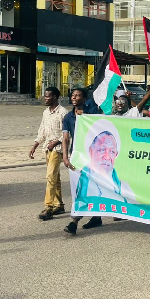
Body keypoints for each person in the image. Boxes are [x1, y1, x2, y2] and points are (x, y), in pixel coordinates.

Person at [62, 88, 103, 235]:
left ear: (84, 99)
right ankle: (96, 217)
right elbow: (66, 138)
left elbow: (103, 122)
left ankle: (74, 222)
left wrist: (85, 116)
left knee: (87, 187)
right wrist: (65, 157)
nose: (74, 97)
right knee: (80, 187)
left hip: (92, 157)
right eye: (72, 95)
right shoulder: (68, 117)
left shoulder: (92, 111)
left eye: (78, 95)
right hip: (77, 157)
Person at [29, 87, 68, 221]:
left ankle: (48, 207)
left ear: (56, 97)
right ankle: (59, 204)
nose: (46, 98)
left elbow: (68, 134)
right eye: (45, 96)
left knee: (50, 176)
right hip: (47, 148)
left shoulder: (63, 113)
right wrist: (35, 144)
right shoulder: (46, 112)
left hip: (58, 149)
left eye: (48, 96)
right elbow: (42, 131)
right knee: (55, 178)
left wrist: (56, 142)